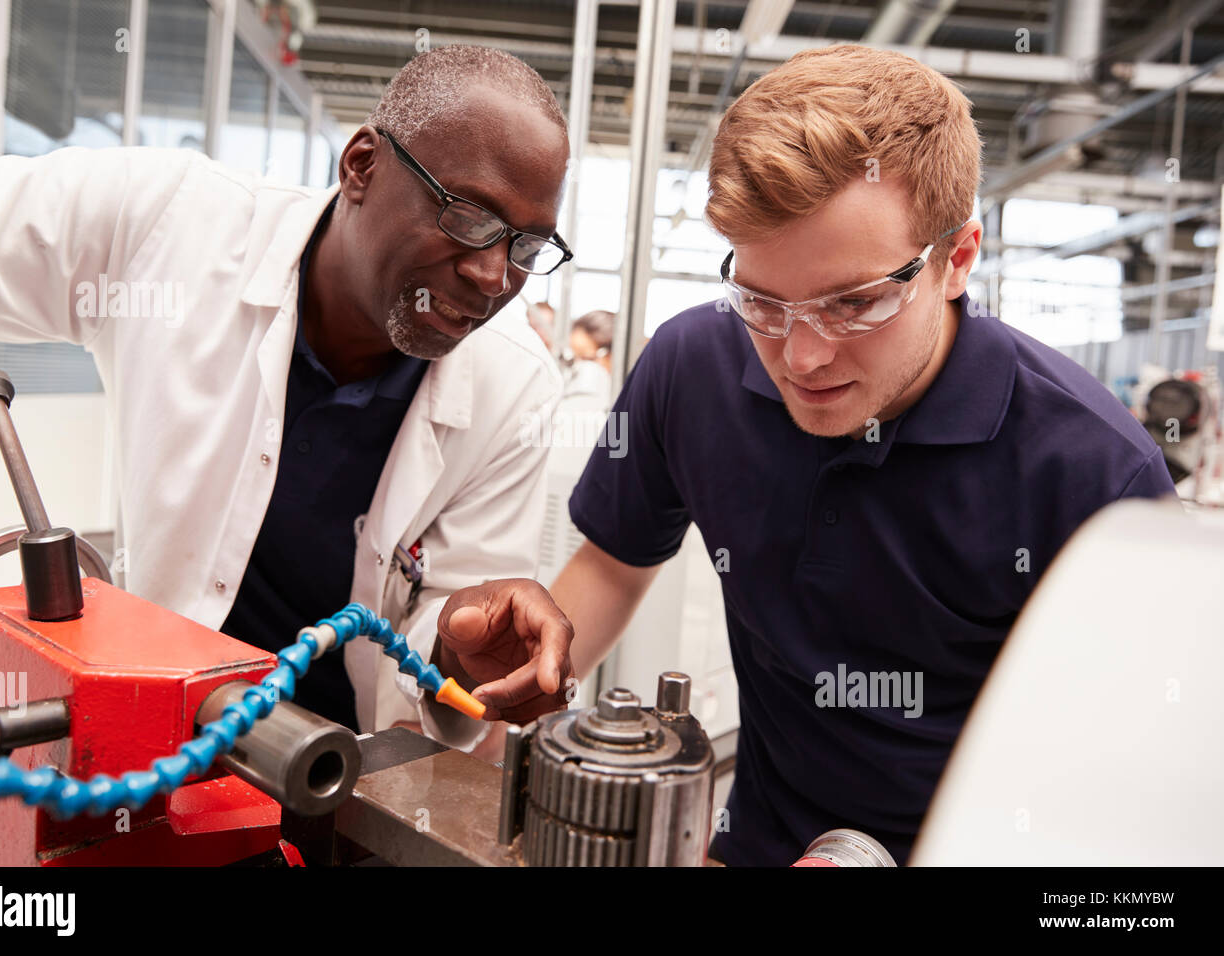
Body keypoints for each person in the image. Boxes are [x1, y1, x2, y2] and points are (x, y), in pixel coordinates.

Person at [445, 45, 1176, 861]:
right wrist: (539, 655)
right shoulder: (694, 367)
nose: (802, 357)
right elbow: (615, 565)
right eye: (762, 302)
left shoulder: (1098, 475)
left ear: (957, 259)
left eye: (855, 303)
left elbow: (1131, 801)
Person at [0, 45, 575, 749]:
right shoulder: (169, 229)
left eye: (526, 248)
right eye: (467, 218)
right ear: (362, 165)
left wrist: (463, 640)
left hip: (330, 777)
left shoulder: (516, 389)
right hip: (140, 743)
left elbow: (443, 631)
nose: (491, 275)